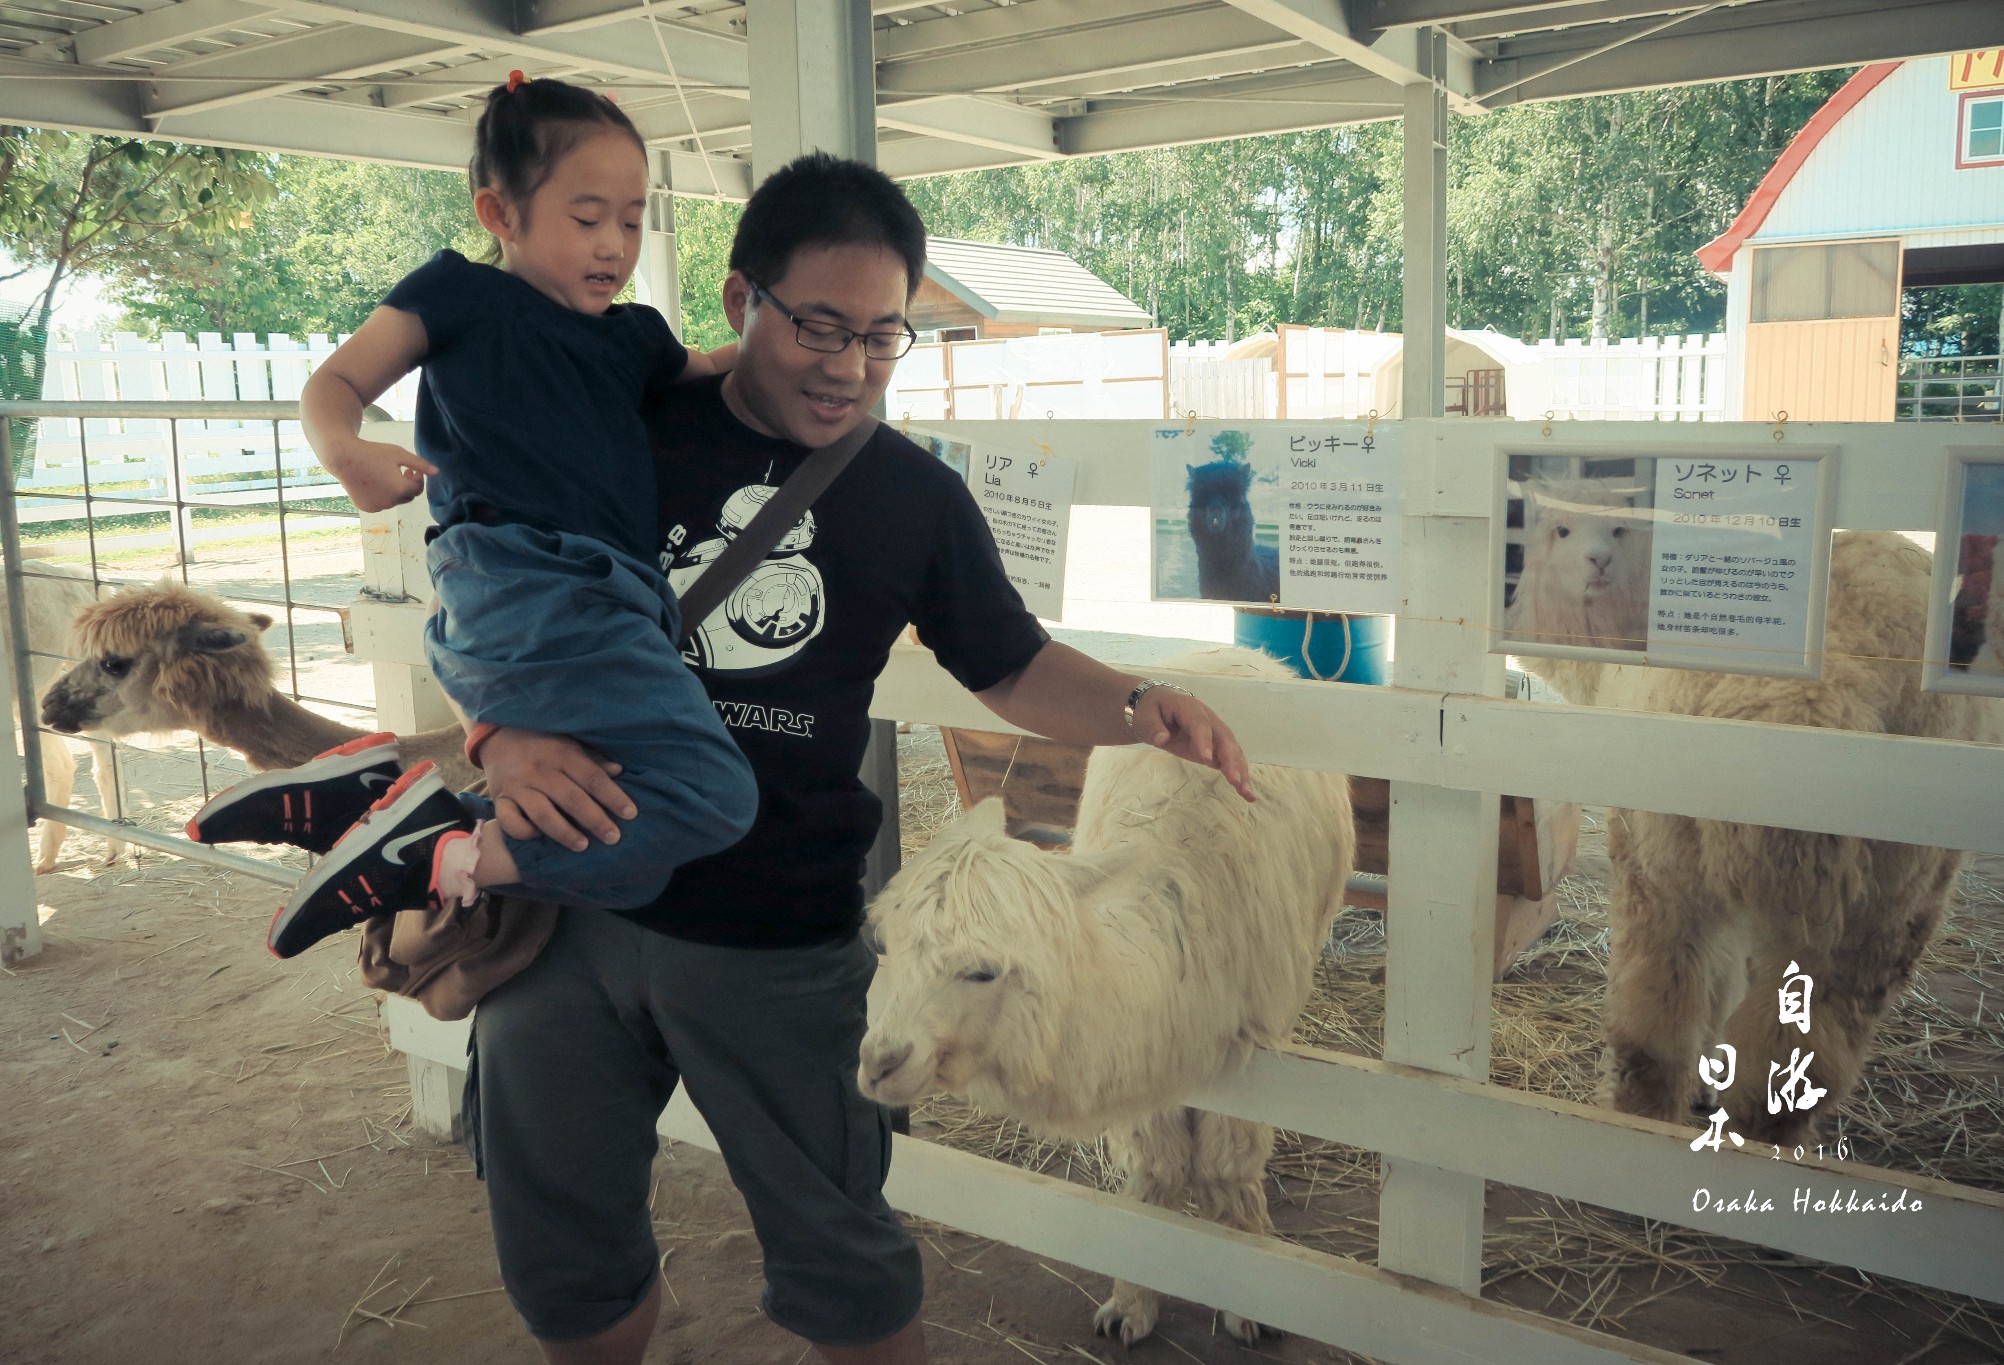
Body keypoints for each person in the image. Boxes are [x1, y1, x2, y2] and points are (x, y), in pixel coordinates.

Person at [462, 151, 1257, 1365]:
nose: (848, 367)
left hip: (774, 931)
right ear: (741, 302)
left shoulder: (910, 495)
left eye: (882, 338)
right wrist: (498, 730)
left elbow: (1005, 661)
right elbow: (484, 576)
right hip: (566, 903)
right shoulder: (618, 427)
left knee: (842, 1250)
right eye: (818, 328)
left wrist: (1141, 703)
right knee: (561, 1241)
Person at [188, 74, 758, 958]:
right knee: (713, 793)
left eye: (634, 218)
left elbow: (708, 366)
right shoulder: (461, 296)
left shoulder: (633, 335)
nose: (615, 244)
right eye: (586, 216)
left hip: (605, 602)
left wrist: (786, 335)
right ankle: (437, 848)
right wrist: (349, 451)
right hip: (527, 583)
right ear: (500, 213)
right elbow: (333, 383)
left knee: (628, 856)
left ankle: (380, 795)